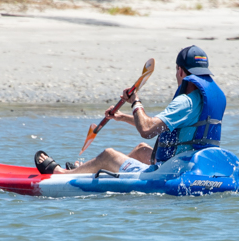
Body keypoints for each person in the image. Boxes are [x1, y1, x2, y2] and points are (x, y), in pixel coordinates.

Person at [34, 45, 226, 175]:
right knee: (142, 150)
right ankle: (87, 169)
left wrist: (135, 101)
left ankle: (63, 173)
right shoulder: (205, 98)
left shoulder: (185, 102)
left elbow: (147, 130)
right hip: (194, 165)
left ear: (180, 71)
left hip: (174, 171)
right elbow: (158, 126)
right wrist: (122, 117)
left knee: (108, 154)